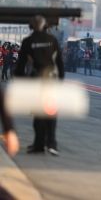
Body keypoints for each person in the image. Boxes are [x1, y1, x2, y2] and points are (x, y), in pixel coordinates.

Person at [15, 15, 64, 156]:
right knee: (51, 113)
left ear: (31, 26)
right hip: (51, 81)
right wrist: (60, 80)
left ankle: (39, 145)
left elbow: (20, 65)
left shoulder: (28, 41)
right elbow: (60, 62)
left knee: (38, 115)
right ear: (45, 26)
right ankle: (52, 144)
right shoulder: (52, 40)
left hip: (36, 81)